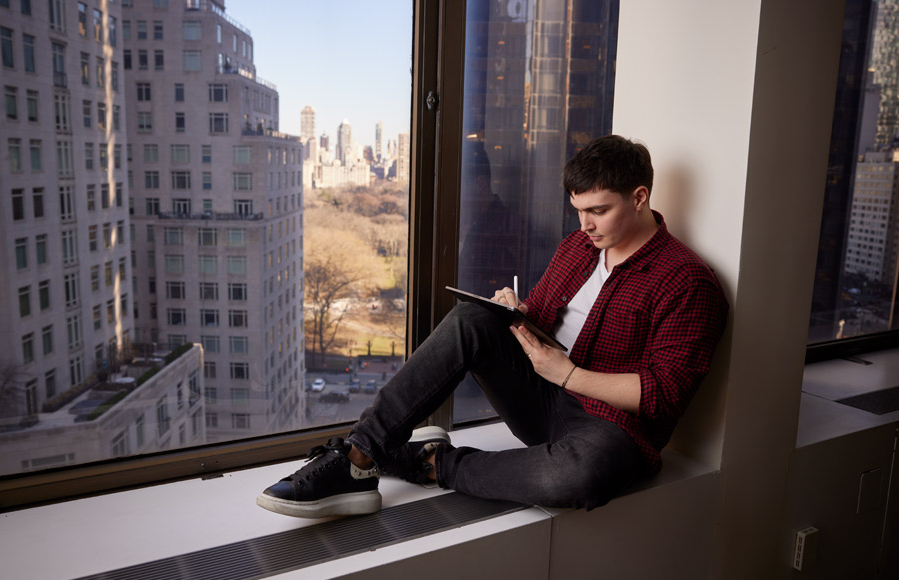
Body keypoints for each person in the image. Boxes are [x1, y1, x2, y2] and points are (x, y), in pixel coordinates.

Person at [257, 135, 729, 519]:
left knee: (574, 480)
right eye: (578, 210)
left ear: (640, 197)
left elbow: (664, 395)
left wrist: (565, 374)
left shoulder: (688, 282)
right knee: (472, 318)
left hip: (609, 429)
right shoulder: (578, 248)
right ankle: (358, 456)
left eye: (598, 211)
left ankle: (429, 462)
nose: (584, 224)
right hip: (543, 401)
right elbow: (541, 315)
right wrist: (515, 311)